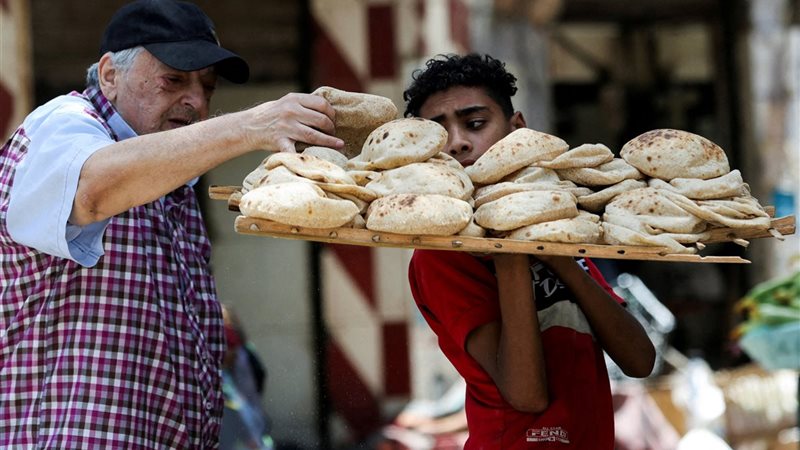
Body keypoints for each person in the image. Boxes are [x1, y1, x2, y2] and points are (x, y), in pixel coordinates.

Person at [0, 0, 342, 447]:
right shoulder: (61, 125)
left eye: (207, 86)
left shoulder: (171, 170)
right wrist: (251, 125)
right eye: (173, 80)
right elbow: (92, 189)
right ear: (108, 75)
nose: (196, 101)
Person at [403, 53, 657, 449]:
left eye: (474, 123)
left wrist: (561, 257)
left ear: (518, 129)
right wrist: (510, 252)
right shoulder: (442, 256)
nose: (457, 143)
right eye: (438, 135)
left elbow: (640, 360)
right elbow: (527, 395)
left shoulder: (553, 226)